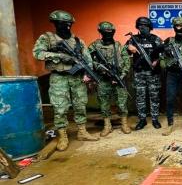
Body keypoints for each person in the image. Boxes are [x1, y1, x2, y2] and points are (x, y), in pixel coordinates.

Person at [32, 10, 98, 159]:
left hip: (77, 78)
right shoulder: (47, 38)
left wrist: (88, 73)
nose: (67, 27)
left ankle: (82, 132)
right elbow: (37, 53)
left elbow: (88, 60)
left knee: (80, 104)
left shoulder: (78, 41)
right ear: (55, 23)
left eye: (69, 24)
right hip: (59, 77)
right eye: (63, 24)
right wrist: (59, 56)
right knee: (60, 108)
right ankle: (62, 136)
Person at [89, 21, 131, 137]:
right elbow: (88, 60)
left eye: (111, 32)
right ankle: (107, 126)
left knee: (122, 103)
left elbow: (127, 62)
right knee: (104, 103)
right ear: (100, 32)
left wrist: (121, 76)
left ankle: (124, 124)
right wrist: (101, 68)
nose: (108, 34)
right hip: (102, 79)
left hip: (118, 78)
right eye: (105, 32)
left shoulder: (118, 46)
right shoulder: (94, 46)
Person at [125, 17, 163, 130]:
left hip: (153, 73)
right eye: (140, 26)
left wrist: (157, 61)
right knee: (140, 97)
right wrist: (128, 47)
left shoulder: (155, 39)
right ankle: (142, 120)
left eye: (145, 26)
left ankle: (155, 119)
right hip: (139, 73)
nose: (143, 28)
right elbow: (123, 52)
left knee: (154, 96)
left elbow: (164, 52)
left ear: (149, 27)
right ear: (137, 27)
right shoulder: (133, 39)